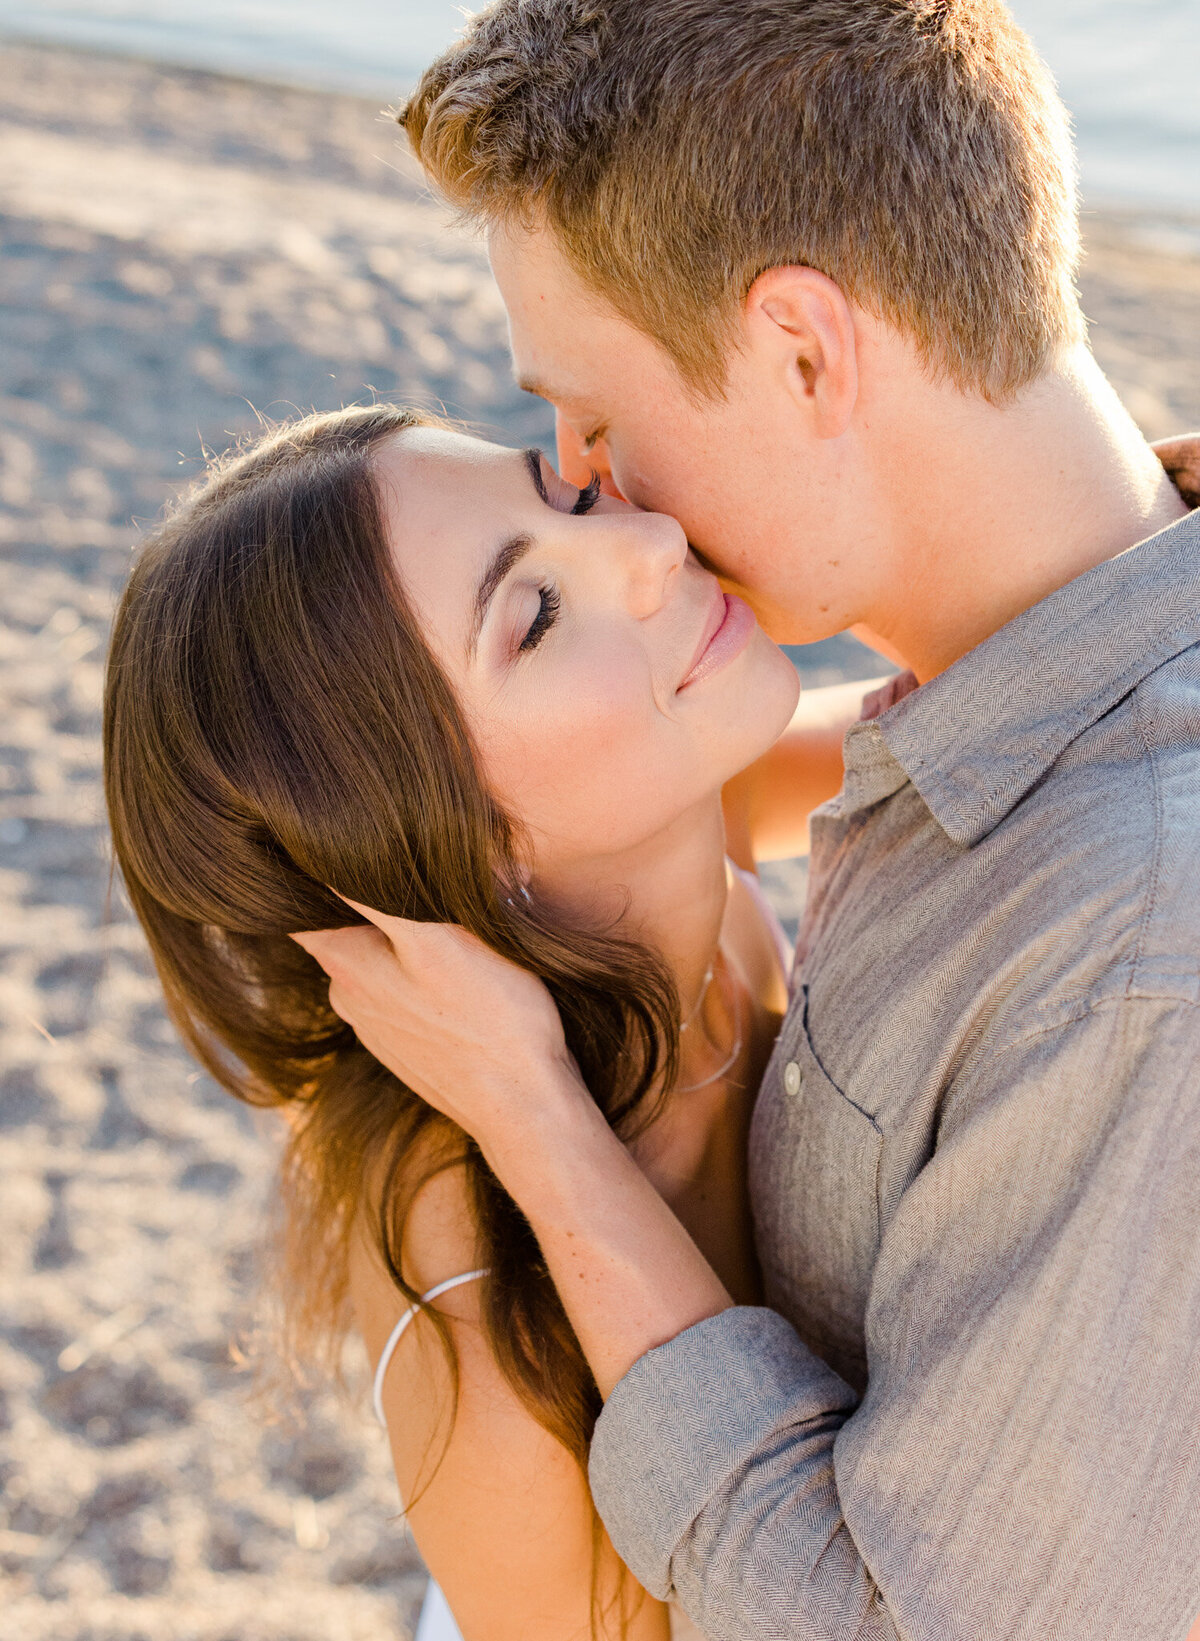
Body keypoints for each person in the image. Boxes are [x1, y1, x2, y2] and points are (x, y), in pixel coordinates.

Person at [293, 2, 1200, 1638]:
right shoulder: (1016, 718)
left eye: (592, 418)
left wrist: (546, 1134)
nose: (605, 492)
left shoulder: (1128, 950)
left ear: (803, 352)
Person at [103, 403, 882, 1640]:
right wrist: (535, 1112)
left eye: (568, 499)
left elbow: (949, 719)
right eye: (536, 616)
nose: (653, 542)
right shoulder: (466, 1254)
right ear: (446, 839)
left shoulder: (665, 832)